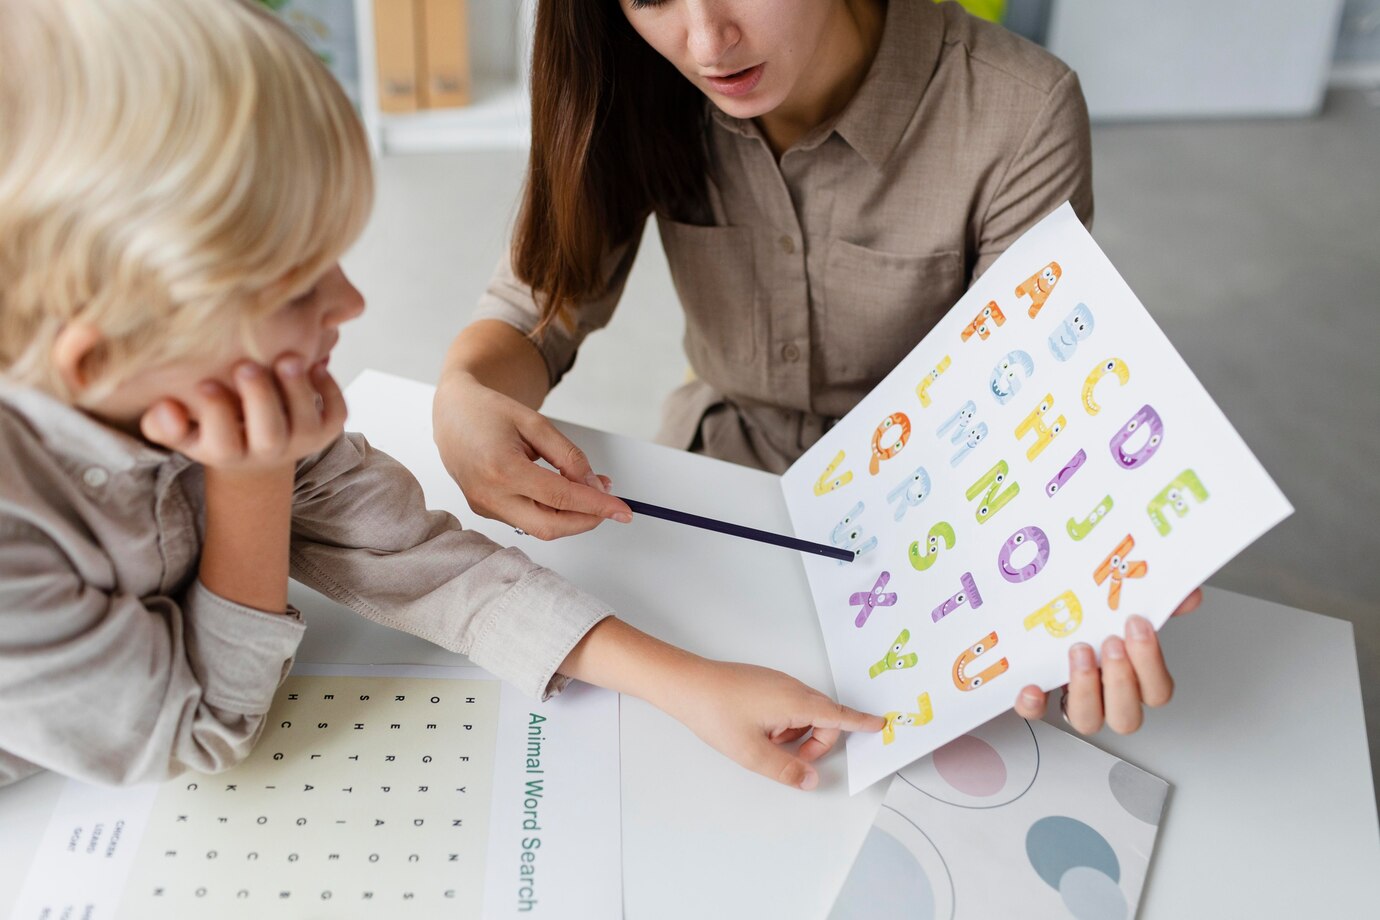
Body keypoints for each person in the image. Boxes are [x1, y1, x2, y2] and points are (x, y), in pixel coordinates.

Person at [0, 0, 882, 794]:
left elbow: (422, 562)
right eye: (294, 289)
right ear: (98, 358)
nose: (352, 306)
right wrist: (253, 481)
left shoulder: (215, 376)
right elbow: (199, 731)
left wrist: (686, 682)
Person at [433, 0, 1203, 736]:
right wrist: (464, 394)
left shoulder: (1018, 110)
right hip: (720, 488)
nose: (707, 43)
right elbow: (535, 303)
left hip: (939, 525)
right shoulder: (636, 75)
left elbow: (1027, 414)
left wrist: (1068, 602)